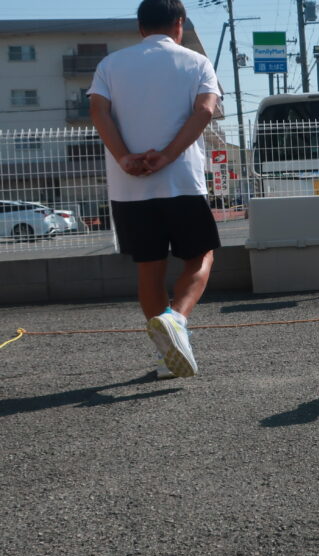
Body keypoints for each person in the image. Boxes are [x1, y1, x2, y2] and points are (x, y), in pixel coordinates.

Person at [88, 0, 222, 379]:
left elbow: (98, 110)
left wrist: (124, 158)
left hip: (129, 187)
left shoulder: (110, 65)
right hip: (181, 181)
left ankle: (167, 358)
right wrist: (166, 156)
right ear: (179, 24)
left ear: (140, 27)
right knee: (200, 257)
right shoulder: (196, 62)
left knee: (149, 268)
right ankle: (177, 318)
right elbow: (205, 110)